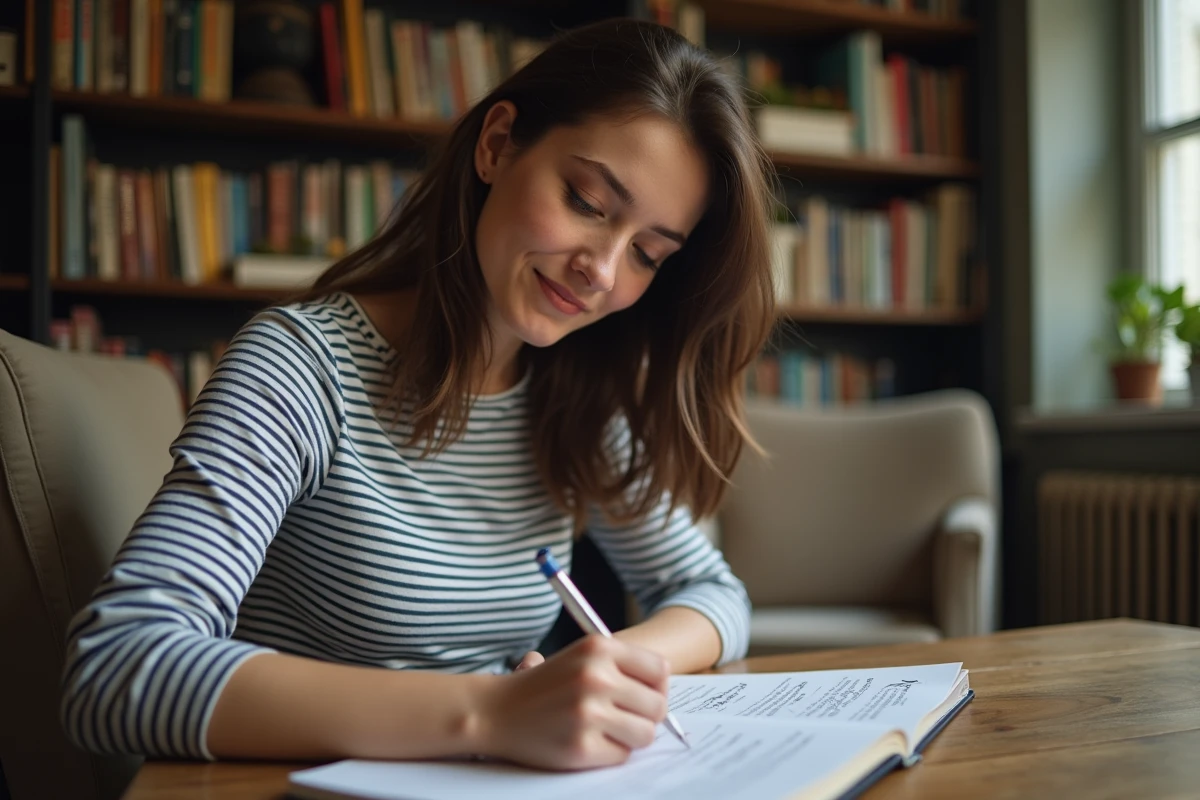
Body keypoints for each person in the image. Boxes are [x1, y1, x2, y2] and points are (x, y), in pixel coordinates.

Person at [60, 17, 776, 772]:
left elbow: (710, 592)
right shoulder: (304, 367)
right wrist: (490, 713)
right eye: (587, 202)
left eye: (647, 254)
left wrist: (598, 674)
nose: (601, 270)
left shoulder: (575, 399)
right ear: (497, 144)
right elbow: (116, 666)